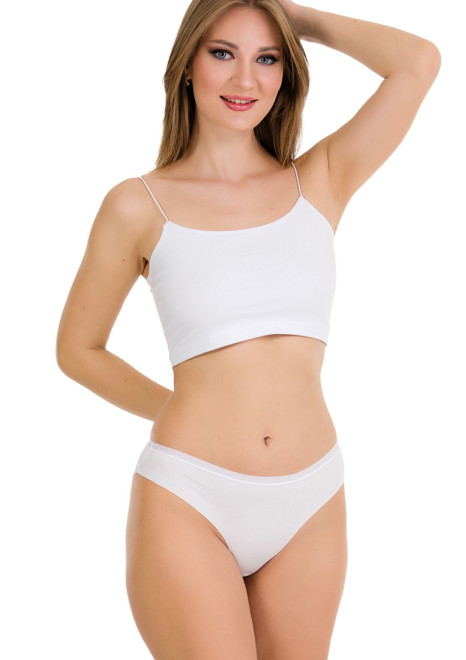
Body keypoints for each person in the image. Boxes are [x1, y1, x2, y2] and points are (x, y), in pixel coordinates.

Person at [56, 0, 440, 658]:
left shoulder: (320, 180)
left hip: (311, 498)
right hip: (191, 496)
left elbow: (418, 62)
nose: (245, 80)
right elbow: (78, 350)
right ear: (187, 64)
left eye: (267, 58)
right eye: (222, 53)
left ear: (287, 72)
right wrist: (175, 407)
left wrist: (291, 17)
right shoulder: (138, 205)